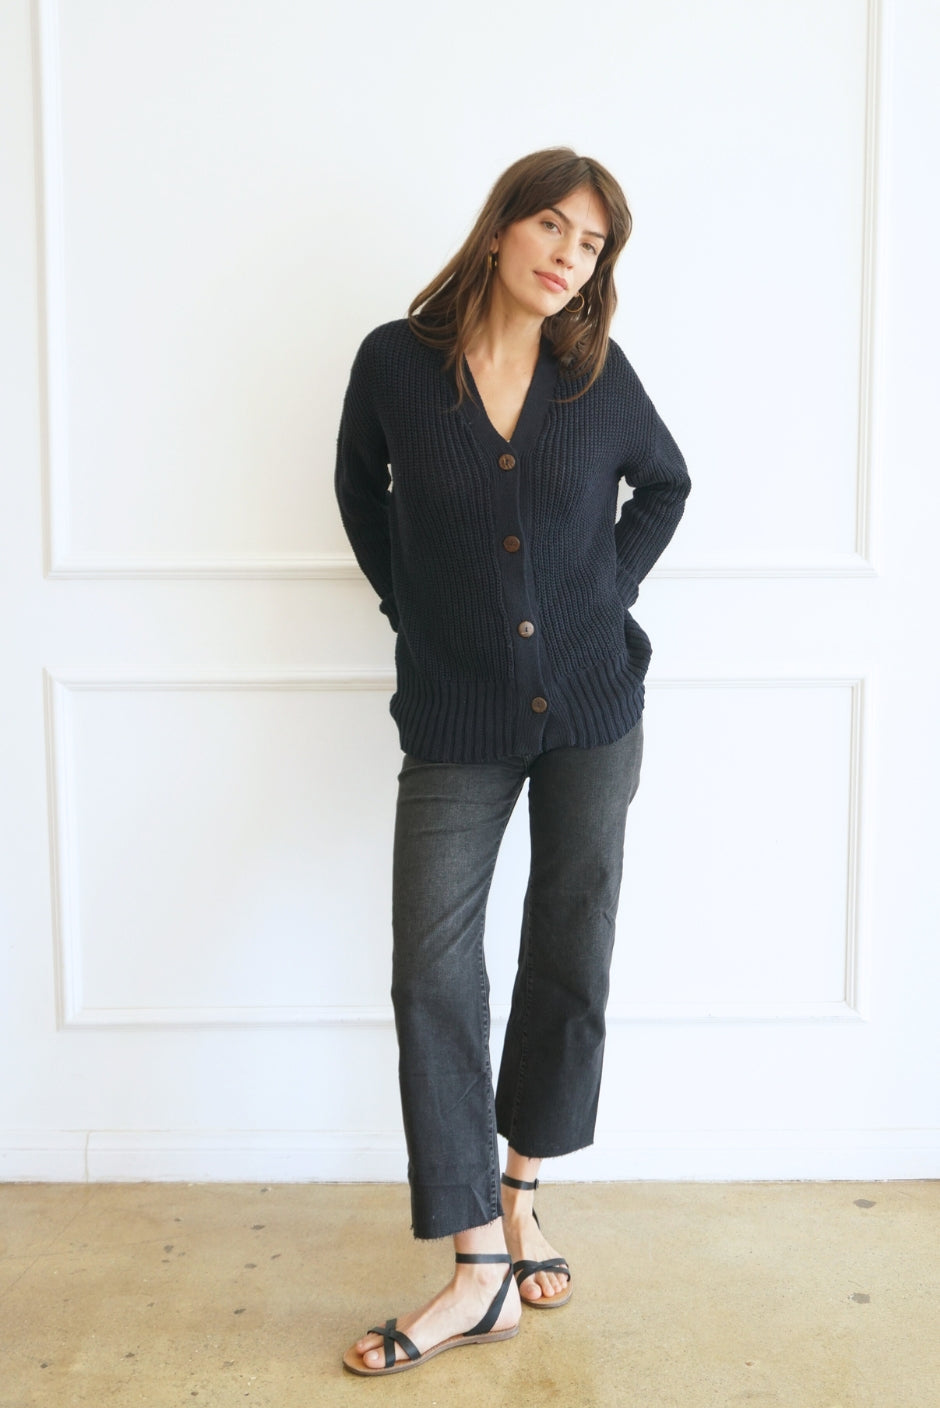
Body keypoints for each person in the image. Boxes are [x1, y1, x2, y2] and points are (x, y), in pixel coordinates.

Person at [335, 147, 690, 1376]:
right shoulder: (395, 363)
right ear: (499, 230)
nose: (567, 258)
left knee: (567, 948)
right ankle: (476, 1262)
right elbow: (360, 496)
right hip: (455, 714)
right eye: (551, 228)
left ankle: (521, 1192)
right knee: (430, 970)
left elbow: (666, 485)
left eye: (590, 245)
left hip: (592, 707)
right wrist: (416, 612)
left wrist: (600, 592)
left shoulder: (594, 374)